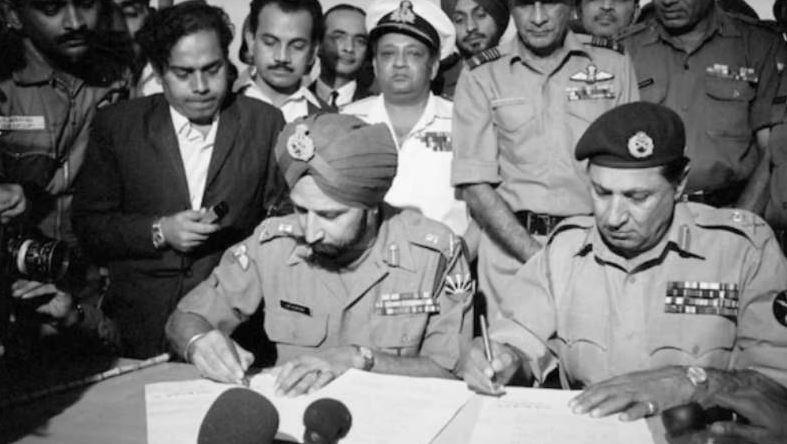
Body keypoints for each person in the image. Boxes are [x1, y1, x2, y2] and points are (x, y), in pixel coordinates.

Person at [460, 102, 787, 424]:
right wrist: (503, 358)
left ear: (680, 184)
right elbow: (519, 339)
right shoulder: (566, 250)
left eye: (637, 197)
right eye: (602, 193)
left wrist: (693, 382)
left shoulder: (741, 251)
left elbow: (778, 387)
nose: (614, 218)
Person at [166, 113, 474, 395]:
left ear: (371, 206)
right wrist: (199, 342)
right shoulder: (273, 243)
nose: (311, 232)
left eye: (330, 215)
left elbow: (451, 371)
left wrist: (359, 360)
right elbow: (185, 318)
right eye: (301, 210)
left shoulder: (433, 253)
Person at [72, 1, 286, 359]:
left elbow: (282, 221)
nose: (201, 86)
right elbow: (88, 226)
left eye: (212, 69)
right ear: (158, 72)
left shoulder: (264, 122)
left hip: (233, 332)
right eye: (184, 73)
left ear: (228, 63)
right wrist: (160, 231)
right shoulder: (118, 126)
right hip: (139, 329)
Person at [451, 0, 638, 319]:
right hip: (511, 257)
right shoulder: (482, 74)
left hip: (595, 250)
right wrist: (538, 259)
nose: (537, 18)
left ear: (572, 6)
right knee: (511, 349)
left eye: (550, 3)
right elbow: (475, 186)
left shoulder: (613, 63)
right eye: (525, 5)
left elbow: (632, 171)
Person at [619, 0, 782, 211]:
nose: (668, 2)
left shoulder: (759, 45)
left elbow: (773, 149)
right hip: (643, 212)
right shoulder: (624, 49)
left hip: (729, 208)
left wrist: (741, 219)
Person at [0, 0, 131, 247]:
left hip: (99, 258)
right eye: (51, 8)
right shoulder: (5, 85)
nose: (75, 22)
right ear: (13, 15)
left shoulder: (121, 76)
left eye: (87, 3)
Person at [343, 0, 468, 236]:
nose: (399, 63)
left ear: (433, 66)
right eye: (388, 54)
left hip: (449, 254)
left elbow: (485, 205)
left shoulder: (463, 121)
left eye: (413, 54)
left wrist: (462, 254)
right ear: (375, 64)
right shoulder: (347, 121)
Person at [237, 0, 331, 122]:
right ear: (250, 42)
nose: (282, 57)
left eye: (297, 46)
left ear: (313, 52)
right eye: (270, 43)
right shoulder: (220, 110)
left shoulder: (333, 121)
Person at [437, 0, 509, 99]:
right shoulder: (437, 79)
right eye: (459, 20)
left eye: (480, 15)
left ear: (499, 18)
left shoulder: (522, 70)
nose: (470, 27)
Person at [309, 3, 372, 108]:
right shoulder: (294, 102)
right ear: (318, 44)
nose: (349, 48)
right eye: (338, 37)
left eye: (360, 41)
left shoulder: (376, 107)